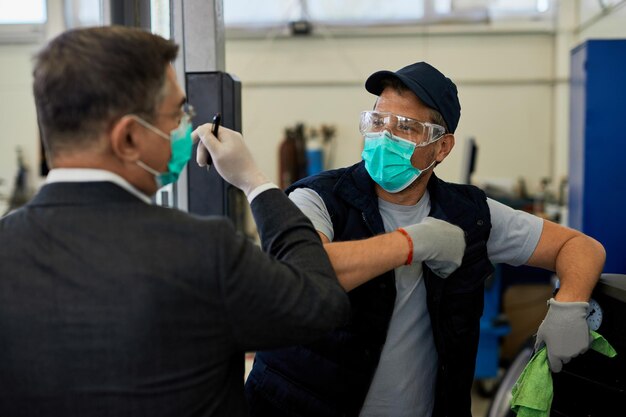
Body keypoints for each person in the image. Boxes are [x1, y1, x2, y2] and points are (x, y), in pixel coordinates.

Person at [0, 26, 350, 417]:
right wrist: (256, 184)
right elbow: (319, 303)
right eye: (178, 114)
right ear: (129, 139)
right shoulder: (201, 250)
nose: (186, 126)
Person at [244, 62, 606, 417]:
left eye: (405, 127)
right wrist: (412, 243)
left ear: (442, 147)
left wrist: (568, 306)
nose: (384, 136)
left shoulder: (470, 214)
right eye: (377, 121)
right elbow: (302, 276)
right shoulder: (317, 198)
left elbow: (579, 246)